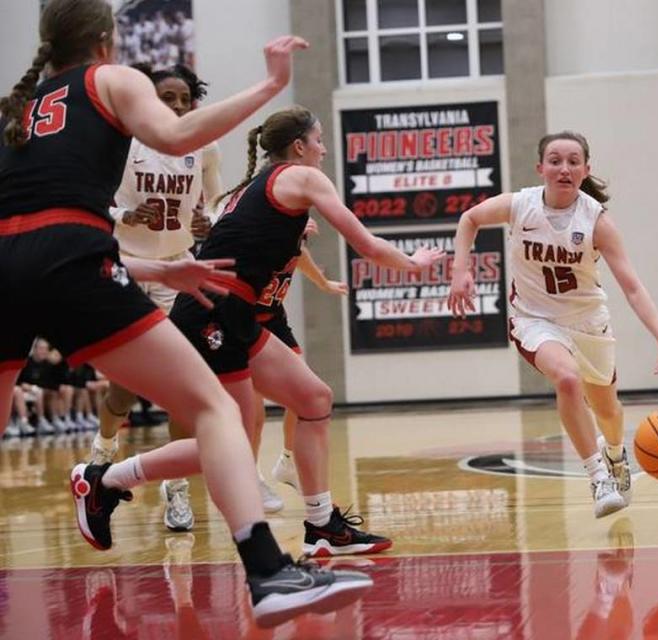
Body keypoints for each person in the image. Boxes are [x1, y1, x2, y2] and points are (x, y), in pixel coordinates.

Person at [0, 0, 369, 627]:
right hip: (75, 260)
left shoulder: (17, 113)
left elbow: (27, 229)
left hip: (11, 262)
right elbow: (175, 136)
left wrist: (153, 269)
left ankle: (111, 479)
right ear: (105, 41)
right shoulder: (111, 79)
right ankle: (267, 570)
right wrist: (272, 85)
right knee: (214, 408)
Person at [170, 105, 443, 555]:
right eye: (318, 140)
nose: (323, 149)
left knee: (314, 399)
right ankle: (111, 477)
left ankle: (322, 526)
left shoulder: (254, 188)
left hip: (232, 311)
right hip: (210, 312)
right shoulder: (305, 178)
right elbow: (367, 245)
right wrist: (414, 262)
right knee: (234, 443)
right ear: (299, 147)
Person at [447, 130, 658, 519]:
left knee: (609, 412)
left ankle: (614, 454)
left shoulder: (597, 220)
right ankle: (598, 477)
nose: (564, 168)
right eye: (556, 160)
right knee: (566, 379)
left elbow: (632, 286)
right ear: (540, 167)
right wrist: (461, 269)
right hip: (534, 318)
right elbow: (469, 219)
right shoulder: (520, 205)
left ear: (585, 170)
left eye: (573, 161)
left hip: (588, 323)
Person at [89, 61, 222, 535]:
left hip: (176, 273)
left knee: (183, 392)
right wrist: (126, 214)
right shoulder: (121, 140)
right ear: (149, 97)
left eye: (185, 100)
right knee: (124, 389)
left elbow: (215, 201)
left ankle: (177, 491)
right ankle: (100, 457)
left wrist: (209, 220)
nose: (178, 107)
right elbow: (90, 202)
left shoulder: (202, 144)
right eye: (168, 98)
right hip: (124, 265)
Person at [249, 217, 349, 511]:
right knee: (254, 416)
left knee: (304, 392)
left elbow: (300, 257)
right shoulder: (257, 237)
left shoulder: (293, 244)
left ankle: (288, 461)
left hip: (274, 318)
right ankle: (249, 476)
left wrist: (324, 282)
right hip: (243, 321)